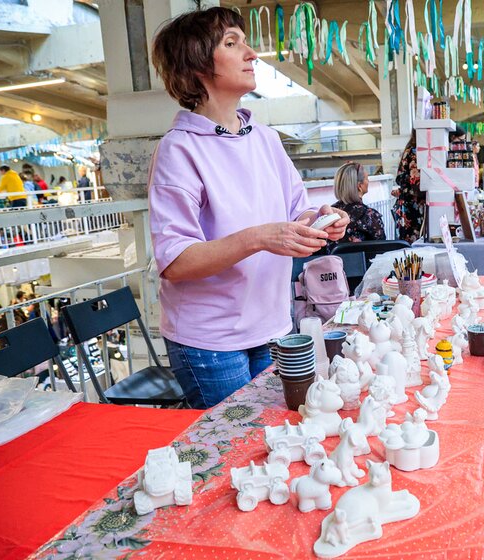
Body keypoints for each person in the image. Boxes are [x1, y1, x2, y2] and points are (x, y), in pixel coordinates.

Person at [148, 7, 349, 408]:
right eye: (232, 43)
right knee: (234, 457)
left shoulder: (266, 138)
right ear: (198, 64)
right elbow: (177, 261)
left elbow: (297, 214)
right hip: (210, 342)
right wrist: (259, 237)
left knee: (272, 444)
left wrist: (322, 221)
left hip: (273, 325)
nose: (252, 53)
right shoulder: (179, 148)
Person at [327, 161, 385, 252]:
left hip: (331, 265)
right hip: (362, 265)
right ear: (359, 186)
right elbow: (383, 250)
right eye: (367, 178)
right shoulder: (370, 216)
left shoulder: (329, 214)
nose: (368, 181)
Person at [392, 131, 424, 243]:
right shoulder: (415, 151)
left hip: (408, 204)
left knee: (411, 241)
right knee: (415, 242)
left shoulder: (410, 149)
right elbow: (415, 183)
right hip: (413, 205)